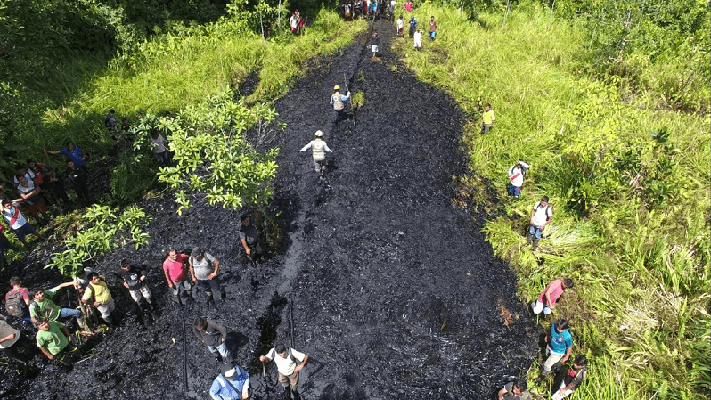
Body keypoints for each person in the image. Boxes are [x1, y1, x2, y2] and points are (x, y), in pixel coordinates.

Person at [535, 318, 573, 383]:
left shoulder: (567, 336)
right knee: (546, 356)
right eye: (558, 327)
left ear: (565, 329)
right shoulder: (553, 326)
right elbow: (550, 331)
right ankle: (547, 365)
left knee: (547, 365)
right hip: (550, 346)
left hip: (557, 353)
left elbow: (569, 347)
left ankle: (542, 376)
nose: (558, 329)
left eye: (560, 329)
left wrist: (567, 356)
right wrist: (547, 336)